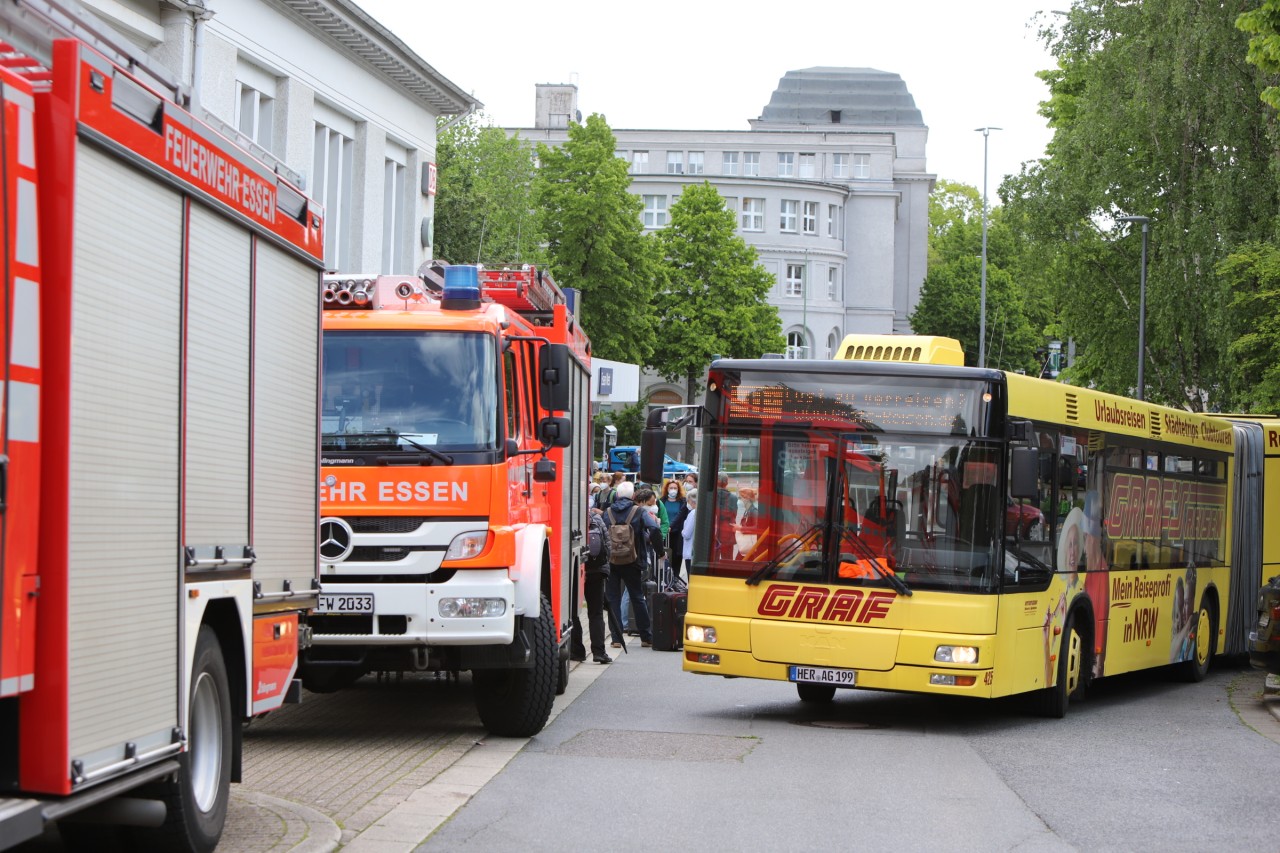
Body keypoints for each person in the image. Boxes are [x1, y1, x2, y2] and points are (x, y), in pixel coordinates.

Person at [604, 480, 658, 649]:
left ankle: (616, 638)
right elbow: (654, 529)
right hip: (633, 561)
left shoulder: (608, 512)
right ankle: (646, 637)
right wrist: (660, 550)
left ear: (617, 495)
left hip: (612, 561)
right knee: (637, 597)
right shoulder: (638, 511)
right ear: (634, 496)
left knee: (613, 598)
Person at [570, 505, 612, 664]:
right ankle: (599, 652)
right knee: (596, 613)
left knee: (573, 612)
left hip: (575, 571)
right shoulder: (596, 519)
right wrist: (605, 568)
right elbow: (608, 545)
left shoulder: (570, 522)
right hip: (596, 571)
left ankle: (577, 651)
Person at [660, 479, 688, 577]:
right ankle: (665, 577)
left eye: (675, 488)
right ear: (667, 489)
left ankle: (675, 577)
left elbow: (680, 515)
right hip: (665, 533)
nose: (673, 490)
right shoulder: (662, 501)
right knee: (665, 555)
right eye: (671, 488)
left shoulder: (682, 501)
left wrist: (671, 526)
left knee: (677, 556)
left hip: (677, 533)